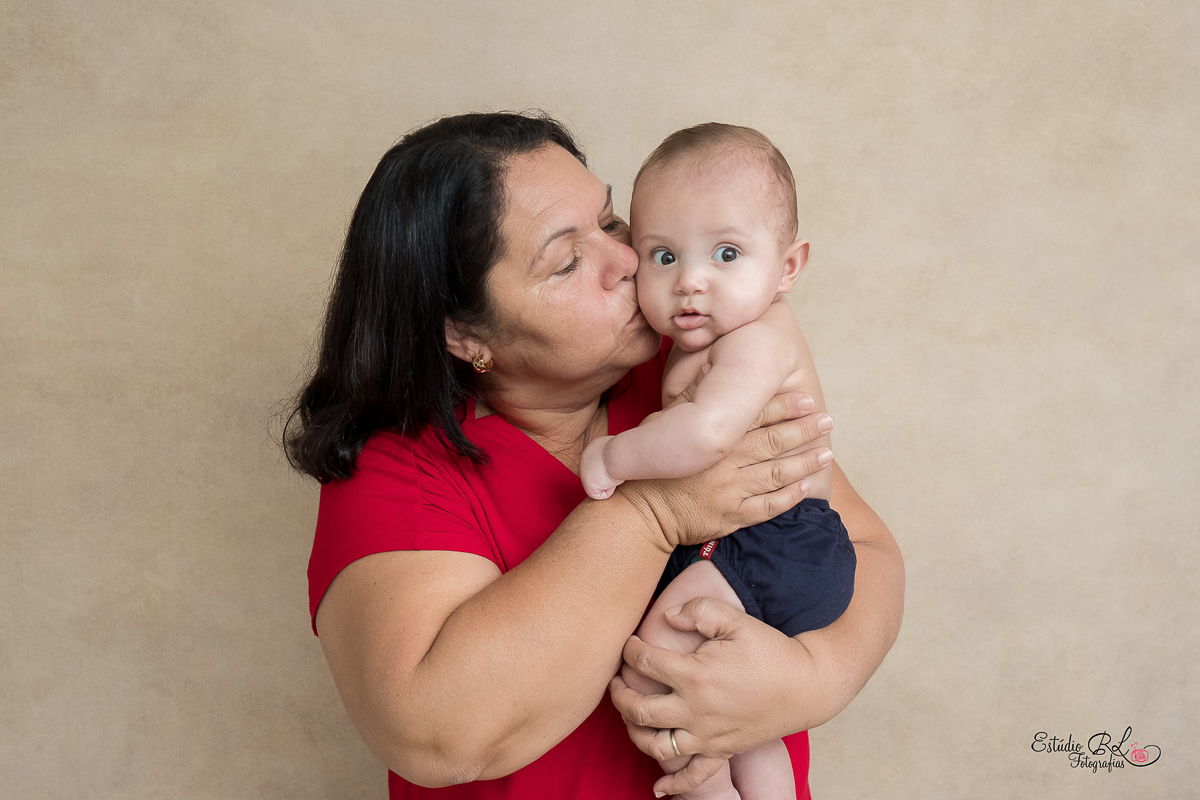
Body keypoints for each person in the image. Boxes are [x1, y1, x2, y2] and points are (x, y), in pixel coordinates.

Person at [285, 111, 904, 800]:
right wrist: (656, 511)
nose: (628, 259)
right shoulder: (398, 468)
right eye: (567, 260)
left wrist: (810, 679)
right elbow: (436, 734)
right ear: (464, 332)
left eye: (610, 222)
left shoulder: (695, 366)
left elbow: (863, 545)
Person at [580, 123, 854, 799]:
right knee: (741, 713)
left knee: (657, 669)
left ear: (788, 267)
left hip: (778, 545)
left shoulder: (758, 339)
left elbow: (704, 436)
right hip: (750, 544)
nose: (691, 283)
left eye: (727, 253)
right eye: (664, 256)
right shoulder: (703, 337)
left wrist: (612, 456)